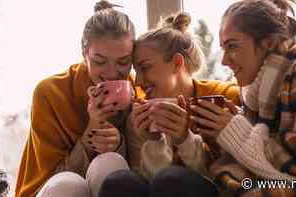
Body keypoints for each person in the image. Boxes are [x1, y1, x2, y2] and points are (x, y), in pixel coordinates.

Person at [190, 0, 296, 196]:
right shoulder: (255, 92)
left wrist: (238, 133)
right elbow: (256, 166)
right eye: (223, 48)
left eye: (232, 46)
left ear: (269, 43)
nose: (224, 60)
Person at [97, 12, 240, 197]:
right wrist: (154, 141)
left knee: (172, 179)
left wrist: (184, 139)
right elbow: (148, 185)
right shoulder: (139, 114)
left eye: (145, 67)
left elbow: (230, 182)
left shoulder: (221, 98)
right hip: (164, 186)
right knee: (119, 182)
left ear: (176, 62)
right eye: (136, 71)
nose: (138, 81)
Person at [15, 1, 141, 196]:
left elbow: (139, 175)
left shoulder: (137, 93)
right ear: (84, 54)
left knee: (110, 164)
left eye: (123, 62)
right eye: (99, 61)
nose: (111, 73)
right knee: (68, 185)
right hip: (55, 189)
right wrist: (90, 133)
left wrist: (118, 144)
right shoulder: (49, 93)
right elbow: (50, 179)